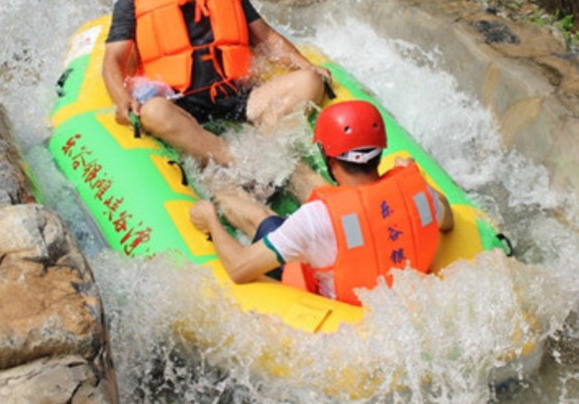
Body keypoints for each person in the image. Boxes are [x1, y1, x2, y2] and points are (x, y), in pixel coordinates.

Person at [102, 0, 331, 169]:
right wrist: (122, 100)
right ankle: (239, 162)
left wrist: (306, 65)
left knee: (309, 81)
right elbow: (113, 60)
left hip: (236, 97)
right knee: (153, 111)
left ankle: (265, 144)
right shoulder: (133, 1)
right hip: (181, 105)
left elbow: (266, 37)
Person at [189, 100, 455, 306]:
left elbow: (239, 268)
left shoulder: (314, 218)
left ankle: (222, 184)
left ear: (330, 160)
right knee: (309, 184)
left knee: (264, 218)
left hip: (330, 296)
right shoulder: (418, 193)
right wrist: (415, 177)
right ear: (380, 150)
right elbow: (448, 220)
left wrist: (211, 221)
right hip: (382, 293)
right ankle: (284, 166)